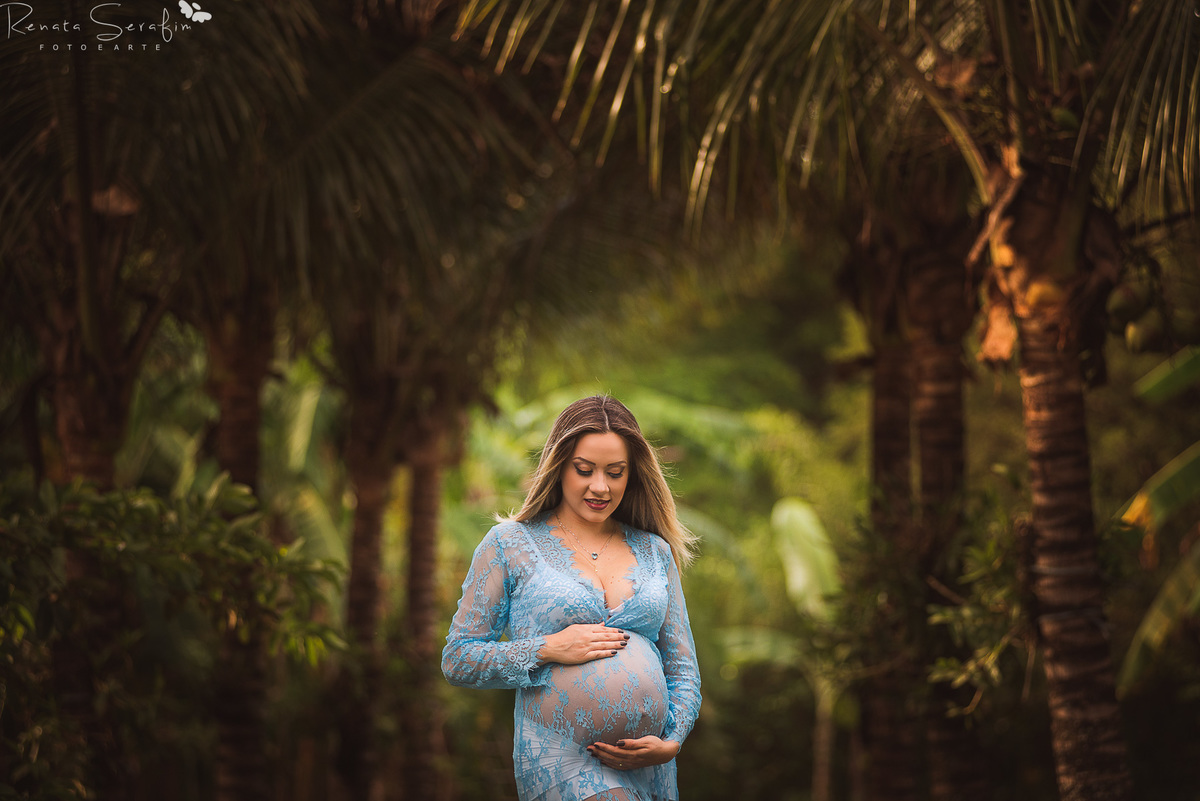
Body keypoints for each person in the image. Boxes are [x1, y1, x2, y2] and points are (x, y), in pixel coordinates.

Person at [442, 395, 702, 801]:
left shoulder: (655, 551)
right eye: (585, 470)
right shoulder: (510, 544)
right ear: (559, 466)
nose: (600, 486)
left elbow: (683, 668)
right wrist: (548, 648)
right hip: (562, 757)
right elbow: (459, 658)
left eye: (615, 473)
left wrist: (672, 740)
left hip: (650, 767)